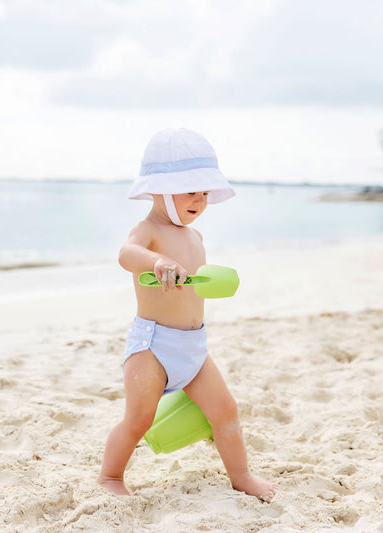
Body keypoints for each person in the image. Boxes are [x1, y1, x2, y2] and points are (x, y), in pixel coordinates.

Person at [97, 128, 279, 502]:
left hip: (193, 346)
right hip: (153, 345)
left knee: (226, 410)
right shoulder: (148, 230)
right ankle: (110, 477)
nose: (200, 199)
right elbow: (126, 255)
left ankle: (241, 476)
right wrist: (157, 261)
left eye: (205, 192)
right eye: (190, 190)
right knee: (139, 419)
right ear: (160, 189)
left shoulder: (195, 237)